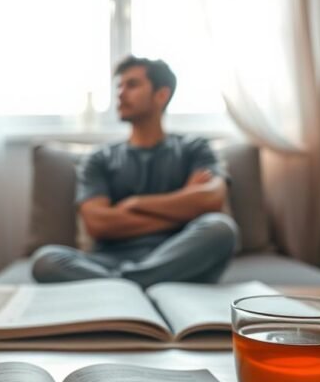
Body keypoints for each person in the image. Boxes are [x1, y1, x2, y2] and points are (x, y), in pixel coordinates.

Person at [31, 56, 240, 287]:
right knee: (45, 260)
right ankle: (143, 282)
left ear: (162, 95)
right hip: (110, 262)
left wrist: (135, 203)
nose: (120, 94)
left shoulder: (194, 148)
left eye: (131, 85)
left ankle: (119, 286)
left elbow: (211, 198)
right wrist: (184, 207)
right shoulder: (99, 158)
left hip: (179, 256)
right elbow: (97, 224)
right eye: (119, 86)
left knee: (221, 228)